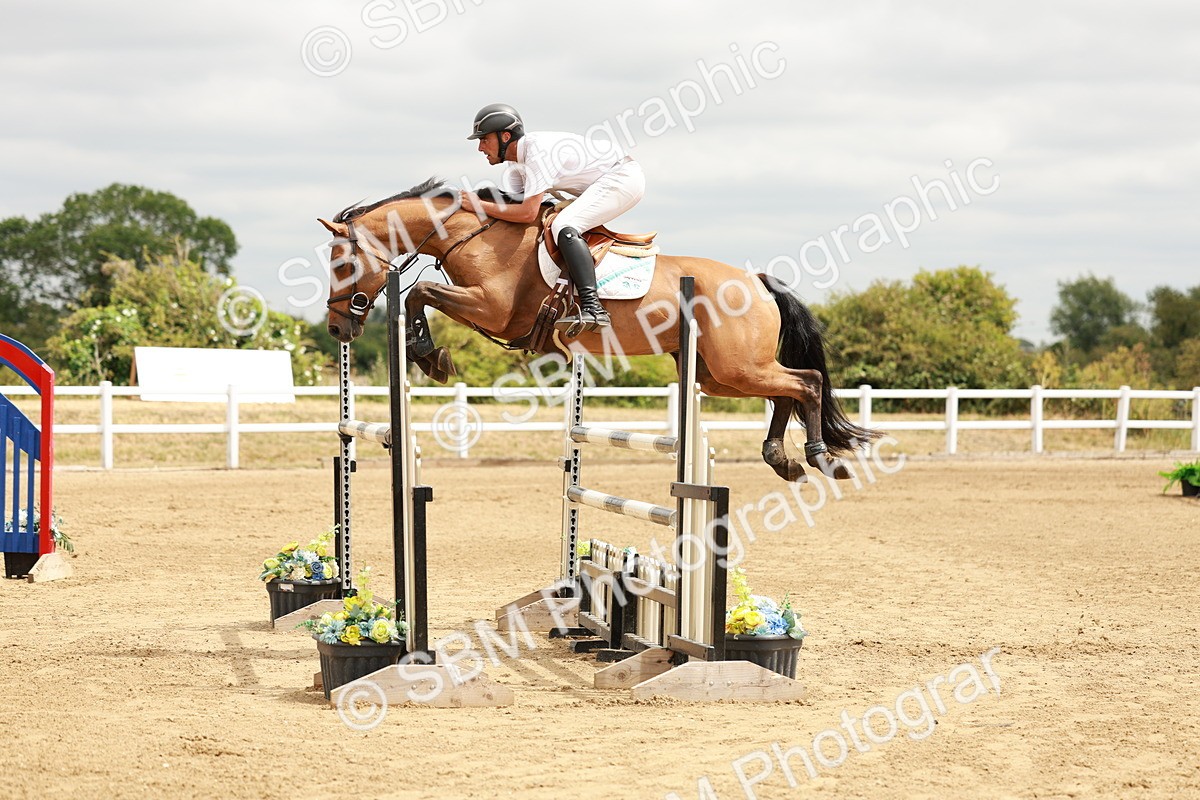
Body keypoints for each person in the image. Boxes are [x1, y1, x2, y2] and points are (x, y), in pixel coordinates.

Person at [460, 103, 645, 331]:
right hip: (602, 181)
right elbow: (511, 206)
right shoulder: (518, 165)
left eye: (484, 139)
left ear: (505, 136)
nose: (480, 147)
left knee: (564, 224)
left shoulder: (538, 153)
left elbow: (527, 213)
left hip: (622, 178)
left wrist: (479, 205)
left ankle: (594, 308)